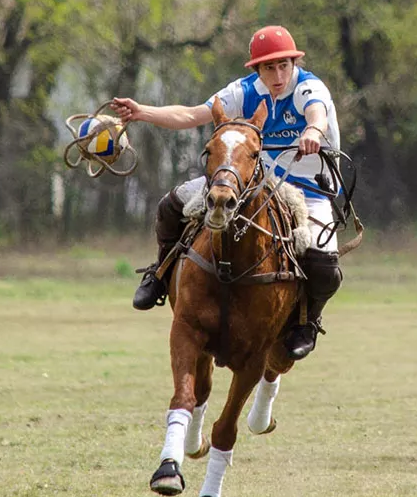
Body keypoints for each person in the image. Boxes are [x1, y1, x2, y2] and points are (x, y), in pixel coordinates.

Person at [112, 25, 342, 361]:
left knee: (324, 262)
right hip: (252, 182)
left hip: (308, 190)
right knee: (171, 205)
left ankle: (307, 322)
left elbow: (317, 114)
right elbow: (192, 114)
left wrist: (312, 130)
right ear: (256, 69)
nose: (277, 75)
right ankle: (160, 274)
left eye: (283, 66)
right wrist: (142, 112)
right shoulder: (244, 90)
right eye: (268, 67)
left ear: (294, 63)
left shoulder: (308, 87)